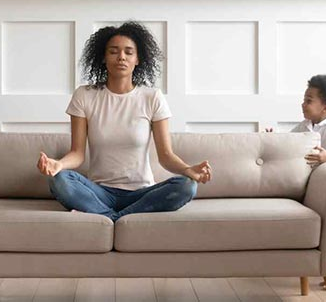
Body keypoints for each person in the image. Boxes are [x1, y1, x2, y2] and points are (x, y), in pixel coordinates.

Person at [36, 21, 212, 222]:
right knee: (59, 179)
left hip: (141, 193)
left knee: (187, 185)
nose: (121, 57)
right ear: (103, 57)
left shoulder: (152, 97)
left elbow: (166, 155)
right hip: (99, 192)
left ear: (138, 59)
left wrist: (188, 170)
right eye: (113, 51)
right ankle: (121, 218)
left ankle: (110, 218)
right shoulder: (84, 96)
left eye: (129, 52)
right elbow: (77, 154)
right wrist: (58, 165)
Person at [271, 74, 326, 288]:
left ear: (325, 108)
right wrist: (272, 136)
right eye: (304, 99)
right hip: (311, 181)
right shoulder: (305, 125)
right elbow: (287, 140)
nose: (303, 104)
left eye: (309, 100)